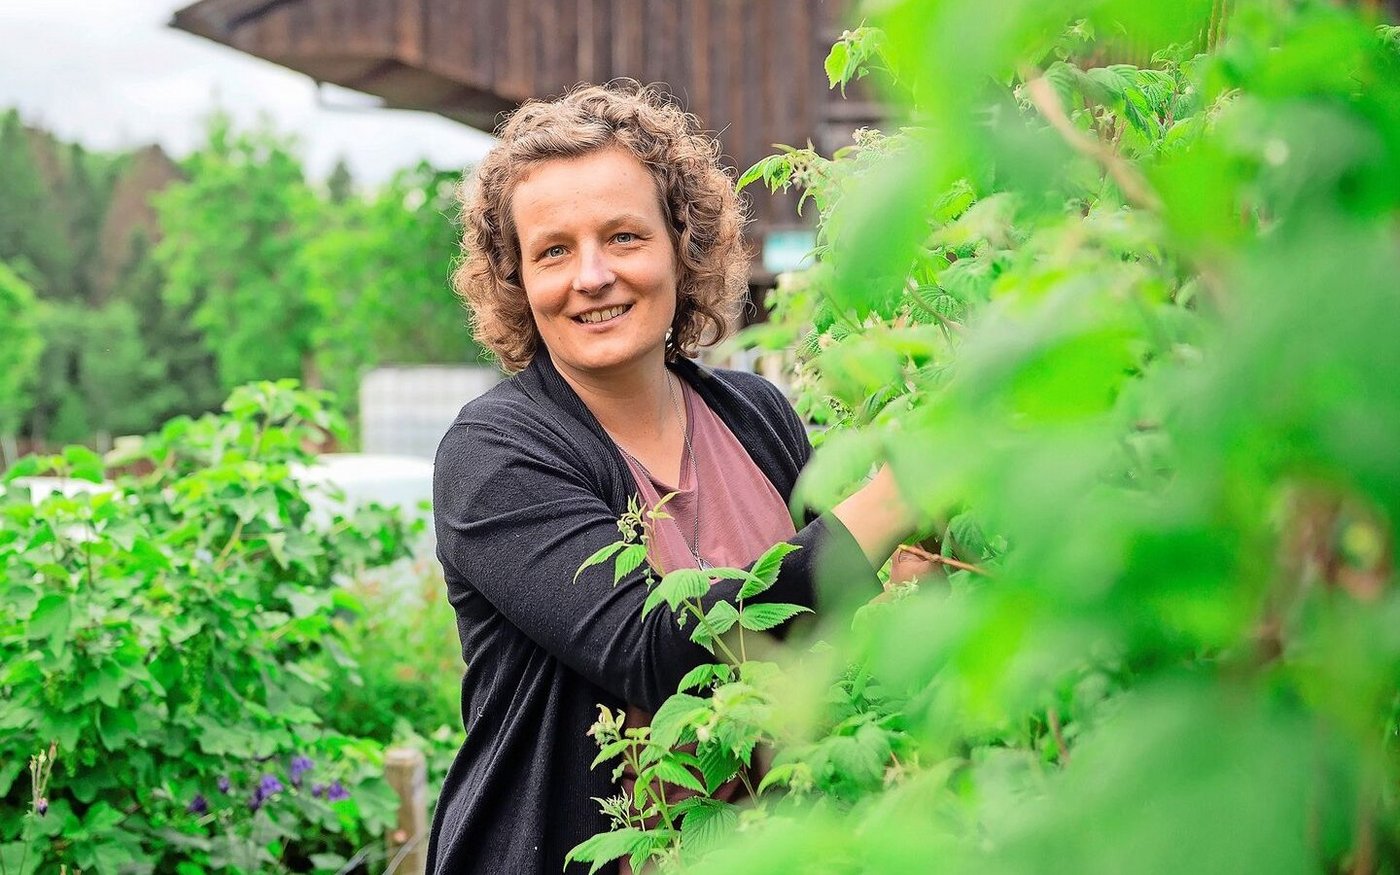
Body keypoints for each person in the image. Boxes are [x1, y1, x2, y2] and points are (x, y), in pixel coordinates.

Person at [427, 81, 924, 875]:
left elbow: (828, 621)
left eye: (624, 236)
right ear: (518, 279)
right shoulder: (496, 453)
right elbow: (658, 654)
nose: (592, 276)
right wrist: (894, 500)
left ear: (682, 245)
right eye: (554, 250)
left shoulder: (755, 414)